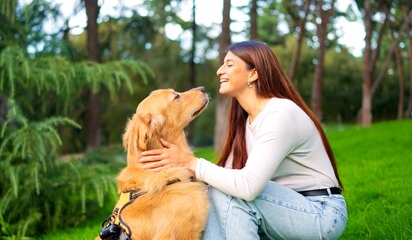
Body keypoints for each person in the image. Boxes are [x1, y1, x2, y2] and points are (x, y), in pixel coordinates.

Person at [139, 40, 347, 240]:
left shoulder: (279, 114)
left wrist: (189, 162)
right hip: (281, 210)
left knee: (230, 194)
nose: (220, 71)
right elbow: (224, 180)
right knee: (218, 191)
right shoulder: (246, 121)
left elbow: (248, 187)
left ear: (254, 73)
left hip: (320, 214)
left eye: (229, 65)